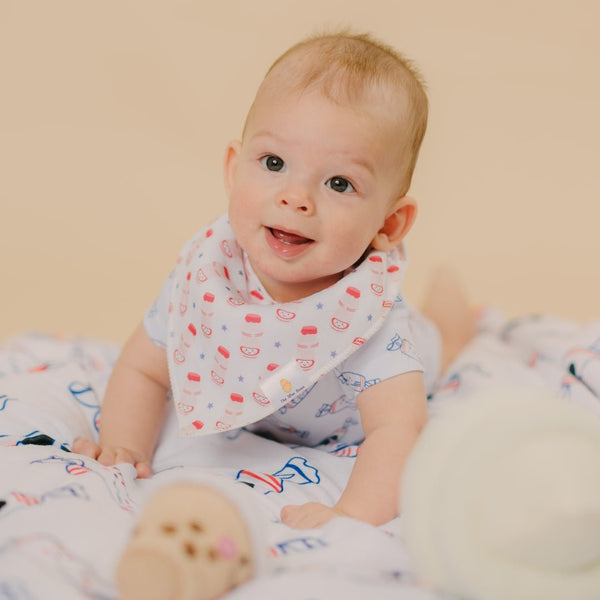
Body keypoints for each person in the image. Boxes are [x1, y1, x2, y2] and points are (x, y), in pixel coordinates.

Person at [73, 31, 446, 530]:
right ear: (234, 169)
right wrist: (125, 446)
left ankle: (452, 316)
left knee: (445, 339)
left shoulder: (372, 318)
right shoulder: (210, 275)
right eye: (274, 163)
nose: (295, 198)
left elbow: (398, 430)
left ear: (389, 223)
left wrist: (349, 516)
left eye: (339, 183)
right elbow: (145, 368)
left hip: (384, 383)